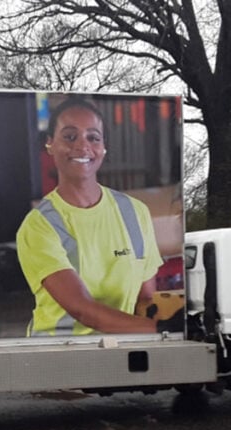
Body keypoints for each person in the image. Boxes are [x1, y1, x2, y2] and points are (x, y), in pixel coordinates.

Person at [16, 98, 162, 336]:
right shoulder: (38, 225)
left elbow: (145, 296)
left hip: (119, 348)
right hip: (59, 355)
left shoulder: (136, 212)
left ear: (103, 147)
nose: (83, 147)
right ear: (50, 144)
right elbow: (82, 309)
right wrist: (161, 329)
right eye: (70, 137)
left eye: (93, 138)